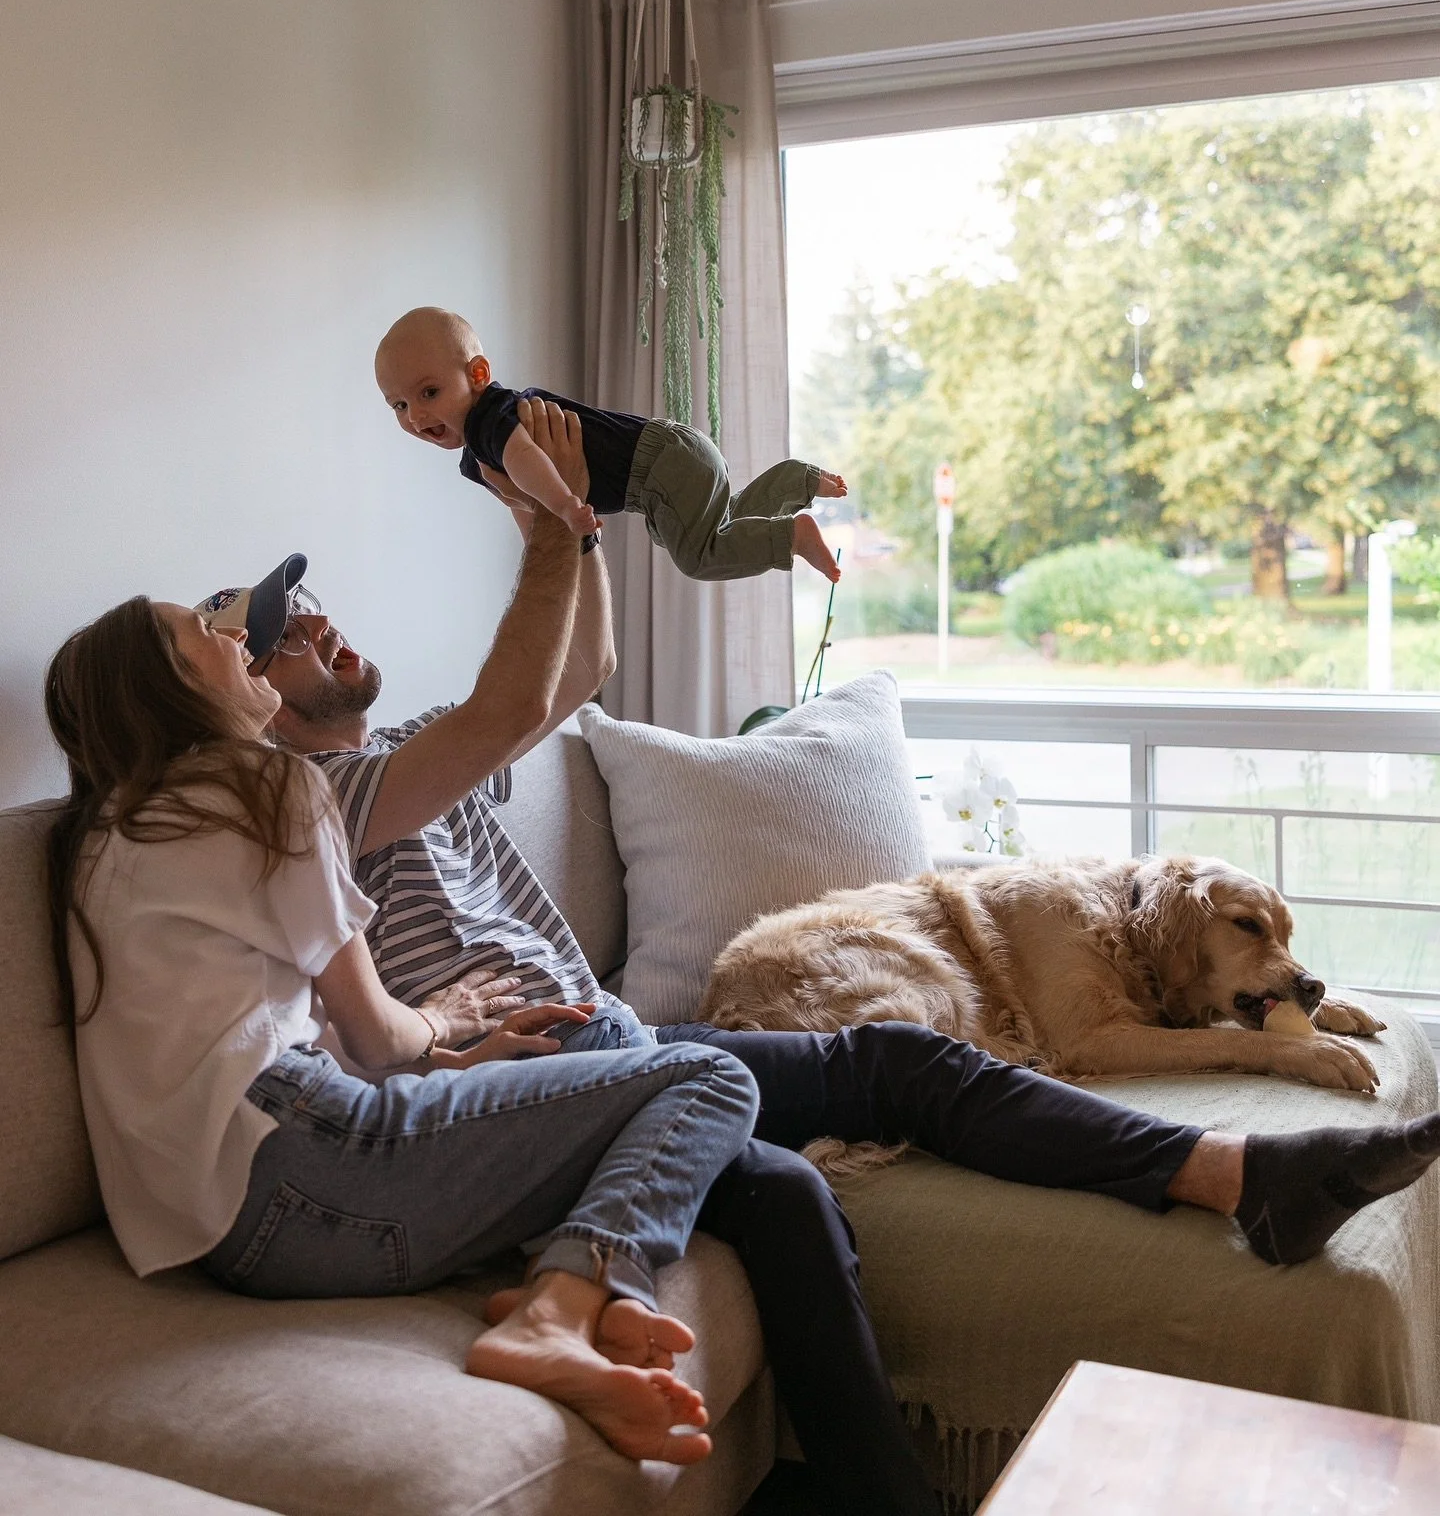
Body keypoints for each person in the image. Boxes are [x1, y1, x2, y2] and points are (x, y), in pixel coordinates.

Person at [201, 403, 1440, 1516]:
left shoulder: (422, 747)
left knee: (814, 1169)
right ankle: (1238, 1177)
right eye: (281, 634)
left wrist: (582, 527)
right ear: (245, 697)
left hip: (602, 1043)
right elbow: (503, 720)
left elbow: (572, 681)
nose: (317, 621)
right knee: (885, 1072)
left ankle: (1242, 1180)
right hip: (503, 1085)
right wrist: (541, 522)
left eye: (314, 607)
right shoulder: (299, 801)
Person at [44, 590, 763, 1470]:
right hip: (310, 1168)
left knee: (654, 1077)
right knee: (707, 1078)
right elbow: (379, 1039)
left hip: (226, 1240)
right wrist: (443, 1019)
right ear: (165, 684)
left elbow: (267, 1035)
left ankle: (586, 1279)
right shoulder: (265, 786)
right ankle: (558, 1311)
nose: (237, 637)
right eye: (206, 632)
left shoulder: (105, 835)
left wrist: (460, 1063)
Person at [374, 303, 847, 581]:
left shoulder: (490, 418)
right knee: (719, 524)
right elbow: (522, 502)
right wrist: (542, 553)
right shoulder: (475, 454)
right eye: (398, 406)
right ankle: (798, 480)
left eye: (428, 393)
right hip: (673, 455)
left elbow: (525, 460)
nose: (416, 416)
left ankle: (793, 535)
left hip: (656, 469)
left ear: (477, 375)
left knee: (699, 558)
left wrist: (564, 506)